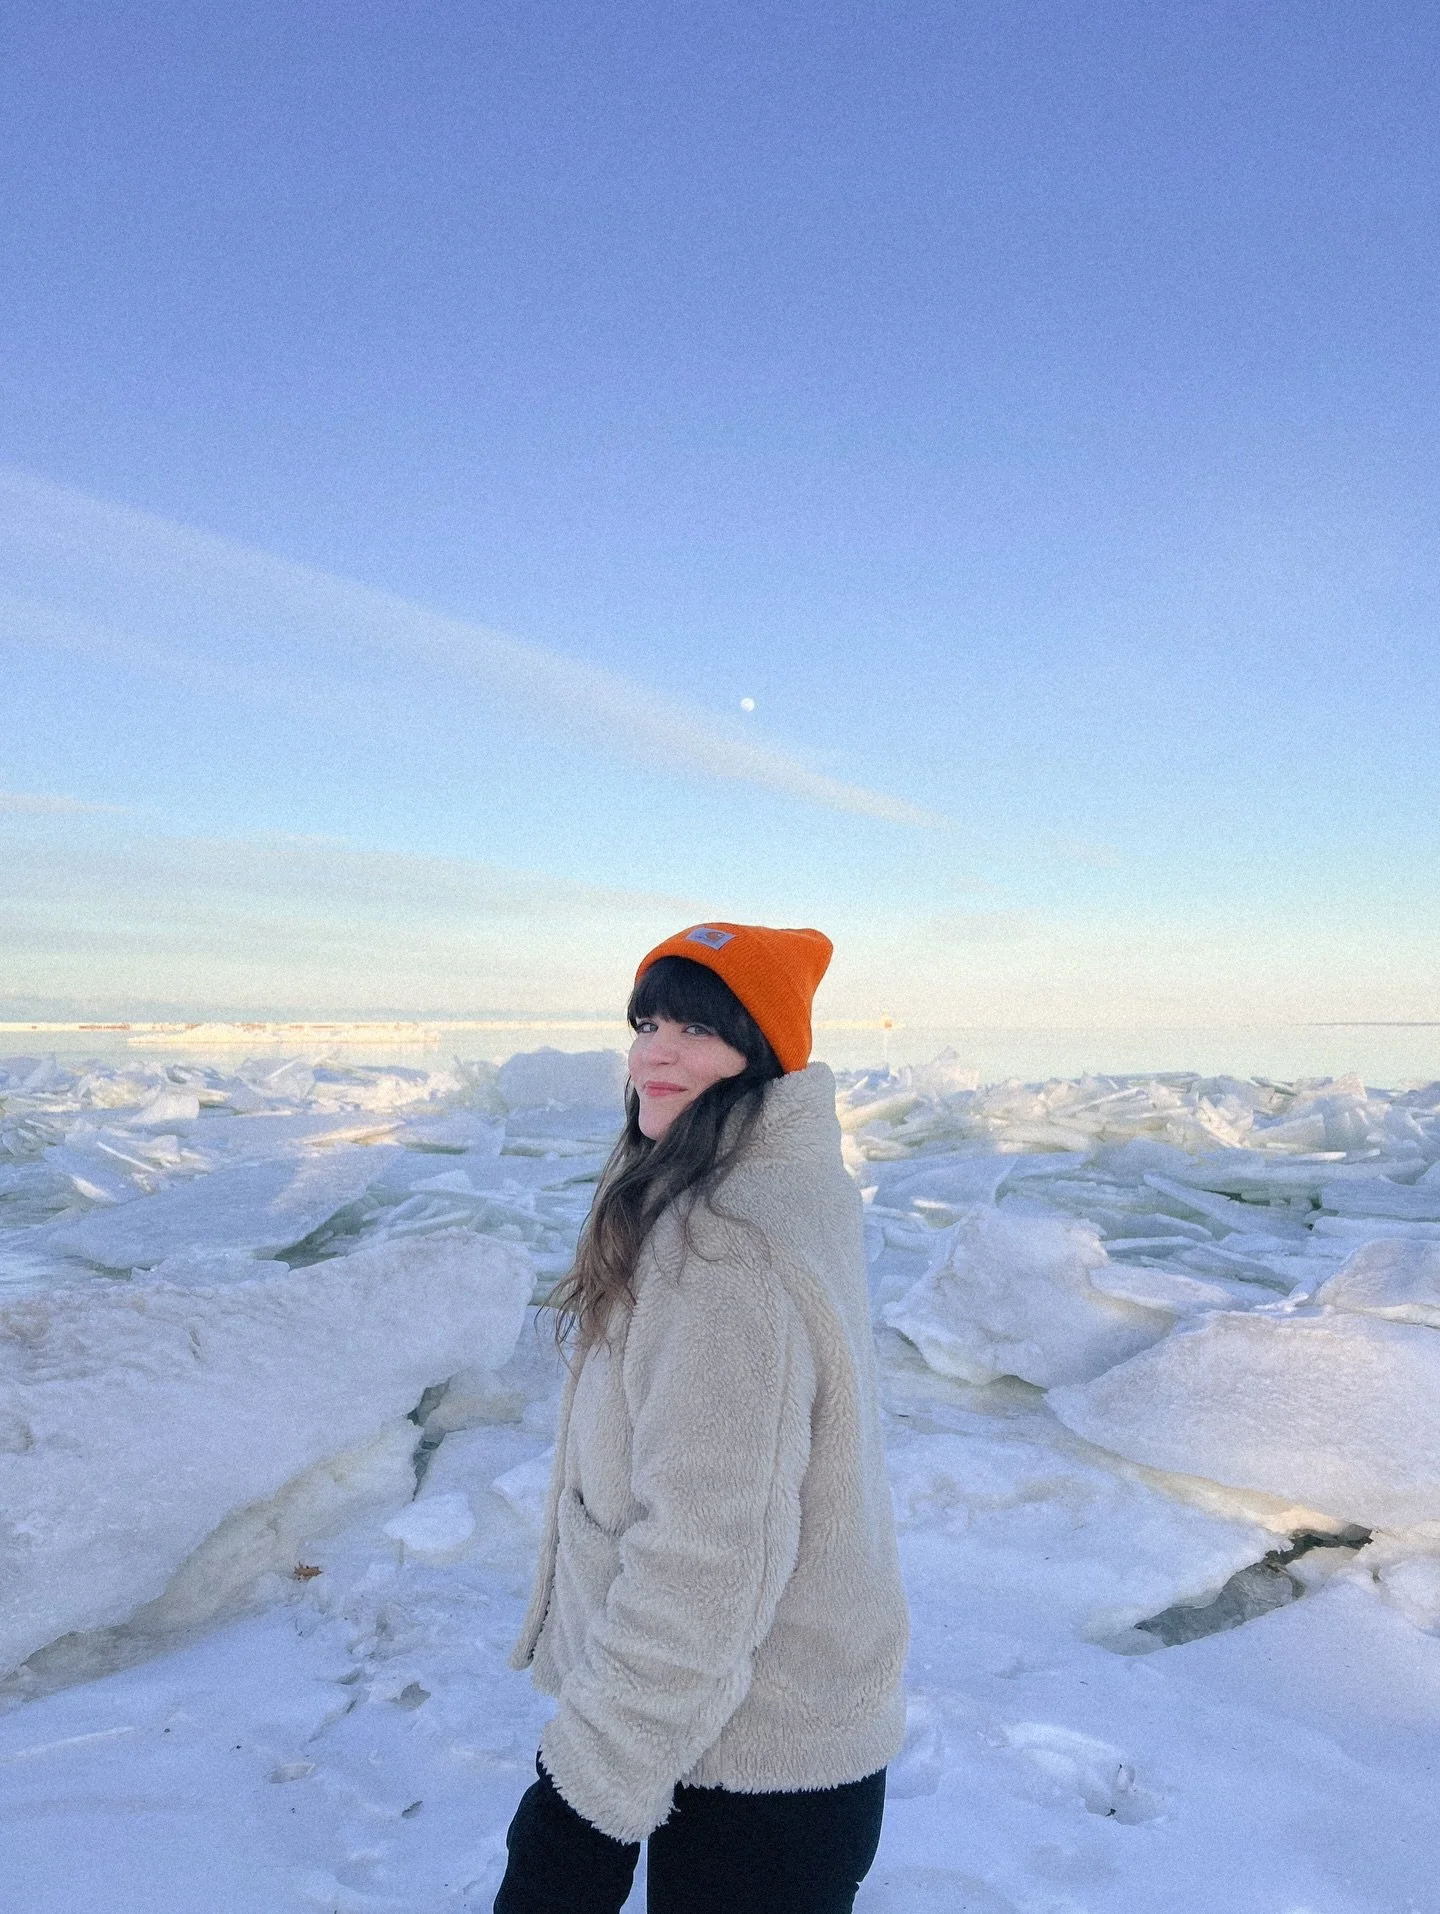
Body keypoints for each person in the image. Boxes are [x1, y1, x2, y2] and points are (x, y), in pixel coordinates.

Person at [494, 922, 909, 1914]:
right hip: (769, 1742)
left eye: (698, 1027)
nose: (654, 1052)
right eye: (646, 1021)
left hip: (749, 1768)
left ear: (760, 1052)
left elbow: (707, 1560)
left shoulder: (725, 1247)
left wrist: (580, 1803)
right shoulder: (777, 1188)